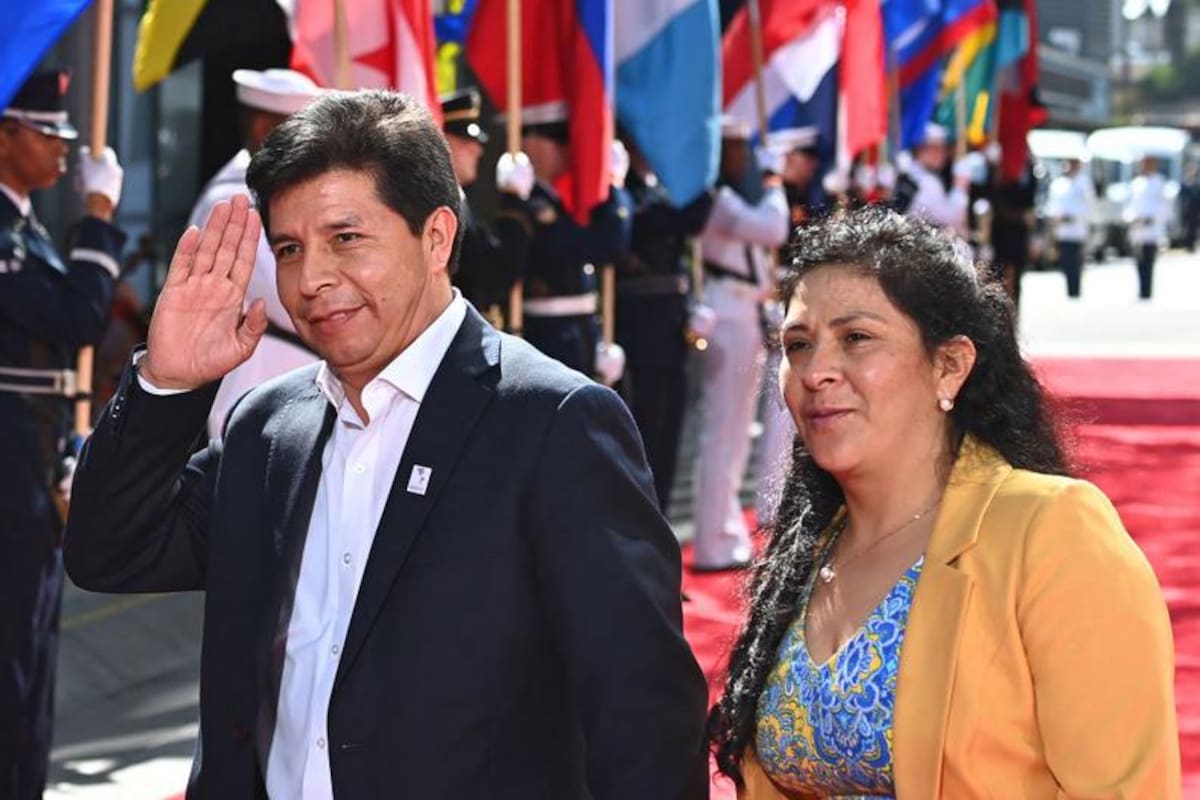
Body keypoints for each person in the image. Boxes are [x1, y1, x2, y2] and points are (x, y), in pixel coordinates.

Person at [63, 90, 708, 799]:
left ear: (436, 236)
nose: (311, 280)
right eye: (289, 248)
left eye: (347, 238)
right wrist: (166, 384)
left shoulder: (554, 422)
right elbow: (108, 552)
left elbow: (642, 712)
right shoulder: (269, 427)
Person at [707, 206, 1180, 798]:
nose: (815, 371)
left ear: (949, 366)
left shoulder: (1051, 530)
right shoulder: (806, 549)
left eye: (856, 338)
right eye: (798, 344)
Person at [0, 69, 126, 798]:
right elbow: (77, 318)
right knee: (11, 659)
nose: (62, 150)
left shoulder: (24, 226)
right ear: (6, 134)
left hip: (32, 460)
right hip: (7, 468)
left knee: (36, 656)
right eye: (47, 132)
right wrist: (101, 215)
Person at [193, 68, 325, 437]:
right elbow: (288, 297)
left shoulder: (270, 194)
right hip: (257, 378)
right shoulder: (234, 200)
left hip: (288, 379)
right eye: (301, 127)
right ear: (262, 127)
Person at [692, 117, 789, 571]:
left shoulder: (730, 197)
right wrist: (774, 183)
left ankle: (726, 530)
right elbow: (772, 228)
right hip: (725, 311)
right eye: (732, 148)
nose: (740, 158)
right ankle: (712, 539)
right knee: (723, 432)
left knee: (734, 437)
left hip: (743, 310)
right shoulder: (718, 199)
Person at [613, 135, 713, 512]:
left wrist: (690, 304)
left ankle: (661, 516)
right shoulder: (625, 192)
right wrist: (704, 170)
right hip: (642, 334)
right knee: (647, 438)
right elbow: (682, 219)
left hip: (670, 331)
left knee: (669, 438)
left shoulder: (658, 190)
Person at [519, 102, 632, 379]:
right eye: (558, 139)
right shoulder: (533, 205)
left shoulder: (555, 202)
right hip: (551, 336)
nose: (567, 149)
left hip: (577, 330)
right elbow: (608, 245)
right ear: (531, 144)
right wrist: (614, 187)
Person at [756, 127, 823, 527]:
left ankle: (785, 496)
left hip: (796, 302)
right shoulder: (769, 196)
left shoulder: (804, 197)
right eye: (802, 158)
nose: (809, 166)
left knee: (791, 415)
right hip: (771, 302)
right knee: (778, 410)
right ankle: (770, 500)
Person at [441, 87, 533, 323]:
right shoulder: (443, 204)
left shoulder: (459, 198)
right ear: (441, 142)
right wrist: (514, 202)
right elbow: (493, 273)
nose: (478, 149)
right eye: (464, 141)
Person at [899, 123, 973, 236]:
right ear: (919, 149)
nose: (941, 154)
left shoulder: (908, 172)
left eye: (942, 149)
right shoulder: (928, 182)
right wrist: (960, 186)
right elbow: (950, 220)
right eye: (934, 148)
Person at [1045, 156, 1095, 299]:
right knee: (1066, 260)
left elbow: (1089, 205)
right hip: (1063, 230)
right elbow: (1053, 207)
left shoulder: (1084, 183)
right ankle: (1070, 289)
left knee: (1076, 261)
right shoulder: (1058, 184)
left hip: (1078, 229)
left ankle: (1076, 289)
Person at [1125, 155, 1171, 300]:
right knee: (1138, 261)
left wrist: (1153, 219)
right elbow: (1130, 205)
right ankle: (1141, 290)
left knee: (1149, 260)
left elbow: (1164, 206)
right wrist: (1131, 218)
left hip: (1152, 227)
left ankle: (1147, 291)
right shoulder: (1136, 183)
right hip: (1138, 227)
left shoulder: (1159, 182)